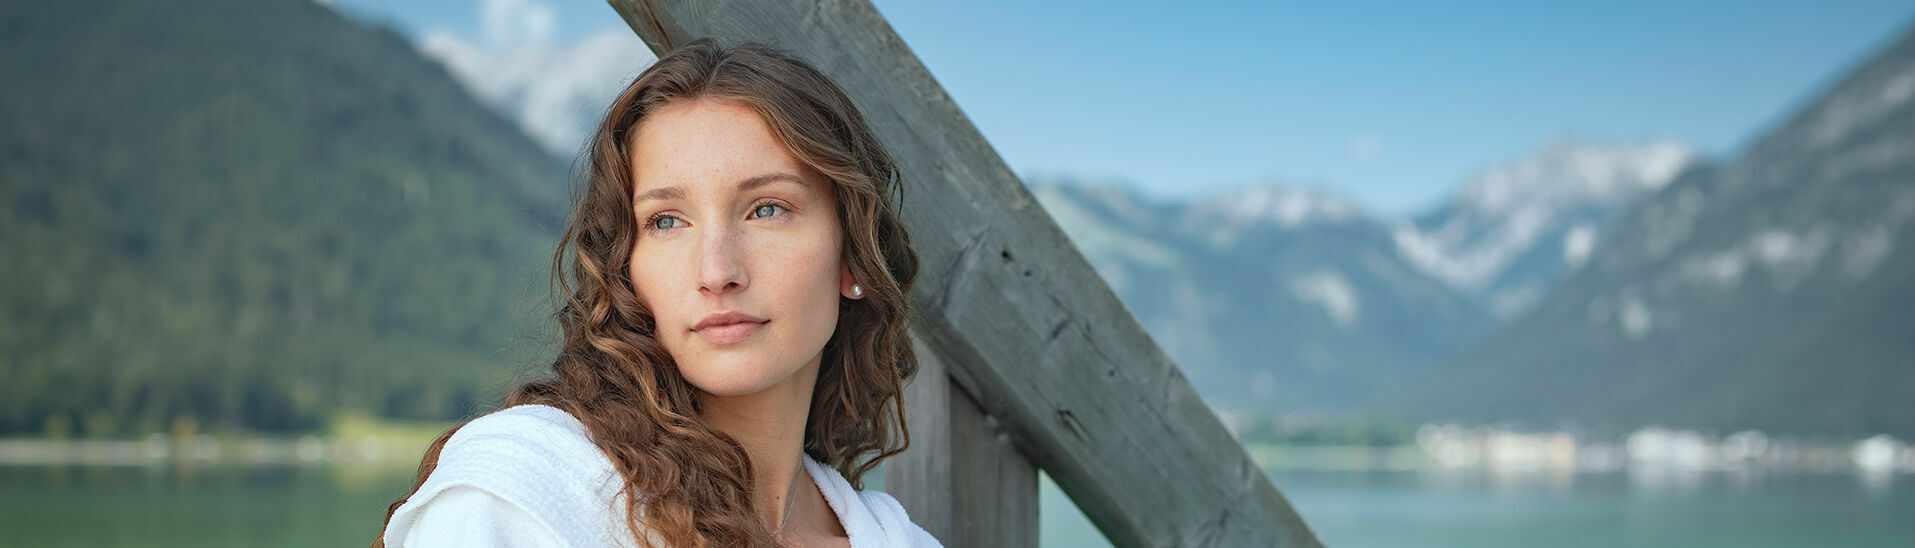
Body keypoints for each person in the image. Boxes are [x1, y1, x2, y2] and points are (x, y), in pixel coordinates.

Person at [376, 38, 940, 547]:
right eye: (667, 221)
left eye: (767, 209)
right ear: (627, 269)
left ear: (852, 256)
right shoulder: (525, 493)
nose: (717, 271)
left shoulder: (895, 540)